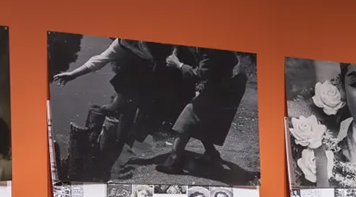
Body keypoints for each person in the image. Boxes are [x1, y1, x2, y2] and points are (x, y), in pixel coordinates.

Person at [53, 38, 179, 178]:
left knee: (140, 125)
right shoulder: (122, 42)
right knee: (121, 122)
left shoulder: (160, 42)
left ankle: (114, 162)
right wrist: (73, 74)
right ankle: (106, 162)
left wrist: (174, 57)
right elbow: (100, 59)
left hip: (158, 84)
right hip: (133, 85)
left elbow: (175, 49)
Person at [163, 47, 248, 179]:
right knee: (202, 120)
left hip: (221, 90)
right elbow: (230, 60)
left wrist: (179, 65)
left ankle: (173, 161)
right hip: (224, 88)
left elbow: (202, 73)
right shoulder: (211, 46)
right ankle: (211, 154)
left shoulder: (209, 49)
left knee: (186, 119)